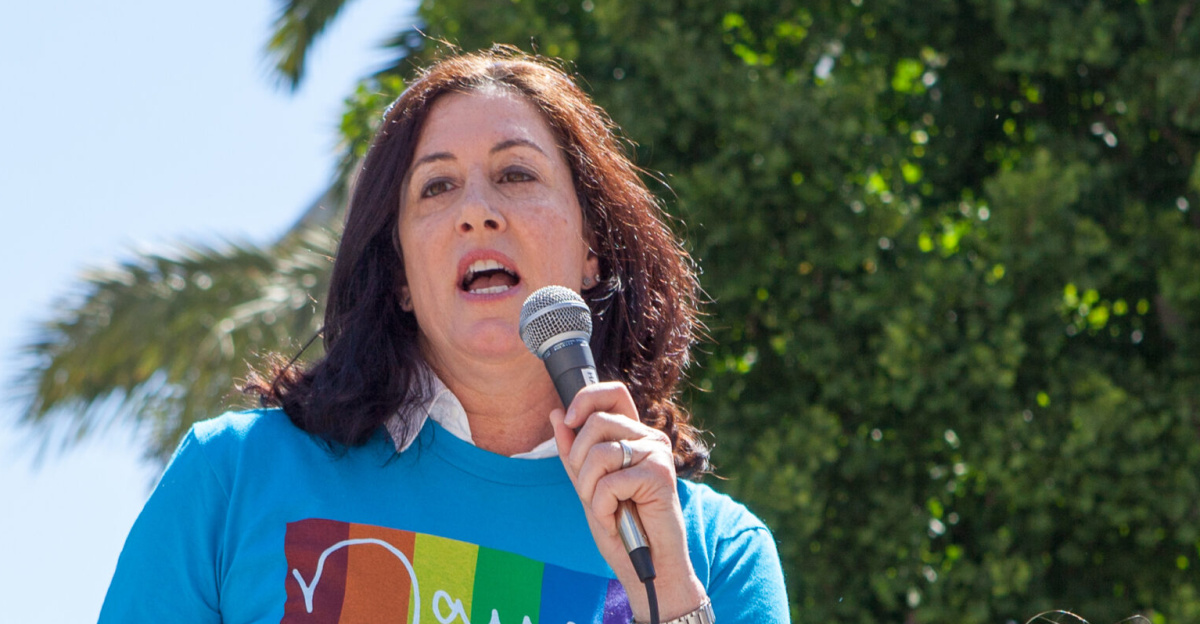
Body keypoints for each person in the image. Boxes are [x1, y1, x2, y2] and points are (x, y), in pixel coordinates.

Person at [98, 46, 790, 624]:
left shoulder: (714, 550)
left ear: (593, 250)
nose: (478, 213)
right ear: (399, 272)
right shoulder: (233, 478)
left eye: (517, 174)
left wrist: (667, 592)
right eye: (436, 188)